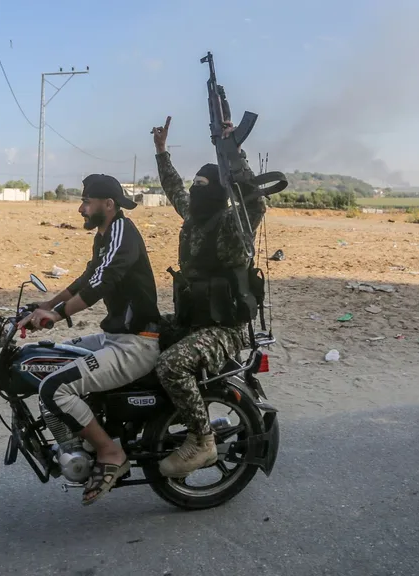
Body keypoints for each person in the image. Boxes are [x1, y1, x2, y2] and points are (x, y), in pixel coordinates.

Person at [18, 173, 161, 505]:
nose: (81, 209)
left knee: (55, 386)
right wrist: (44, 305)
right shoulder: (106, 234)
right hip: (116, 336)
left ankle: (110, 452)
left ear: (107, 205)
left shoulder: (122, 231)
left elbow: (101, 284)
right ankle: (80, 438)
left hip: (136, 342)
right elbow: (89, 276)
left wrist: (58, 314)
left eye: (86, 202)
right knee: (46, 359)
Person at [151, 116, 267, 477]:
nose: (195, 189)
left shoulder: (232, 225)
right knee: (138, 334)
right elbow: (174, 189)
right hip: (194, 321)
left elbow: (254, 202)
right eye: (195, 184)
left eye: (202, 184)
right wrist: (161, 152)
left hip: (224, 328)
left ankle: (202, 441)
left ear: (218, 191)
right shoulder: (195, 216)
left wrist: (233, 151)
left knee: (171, 366)